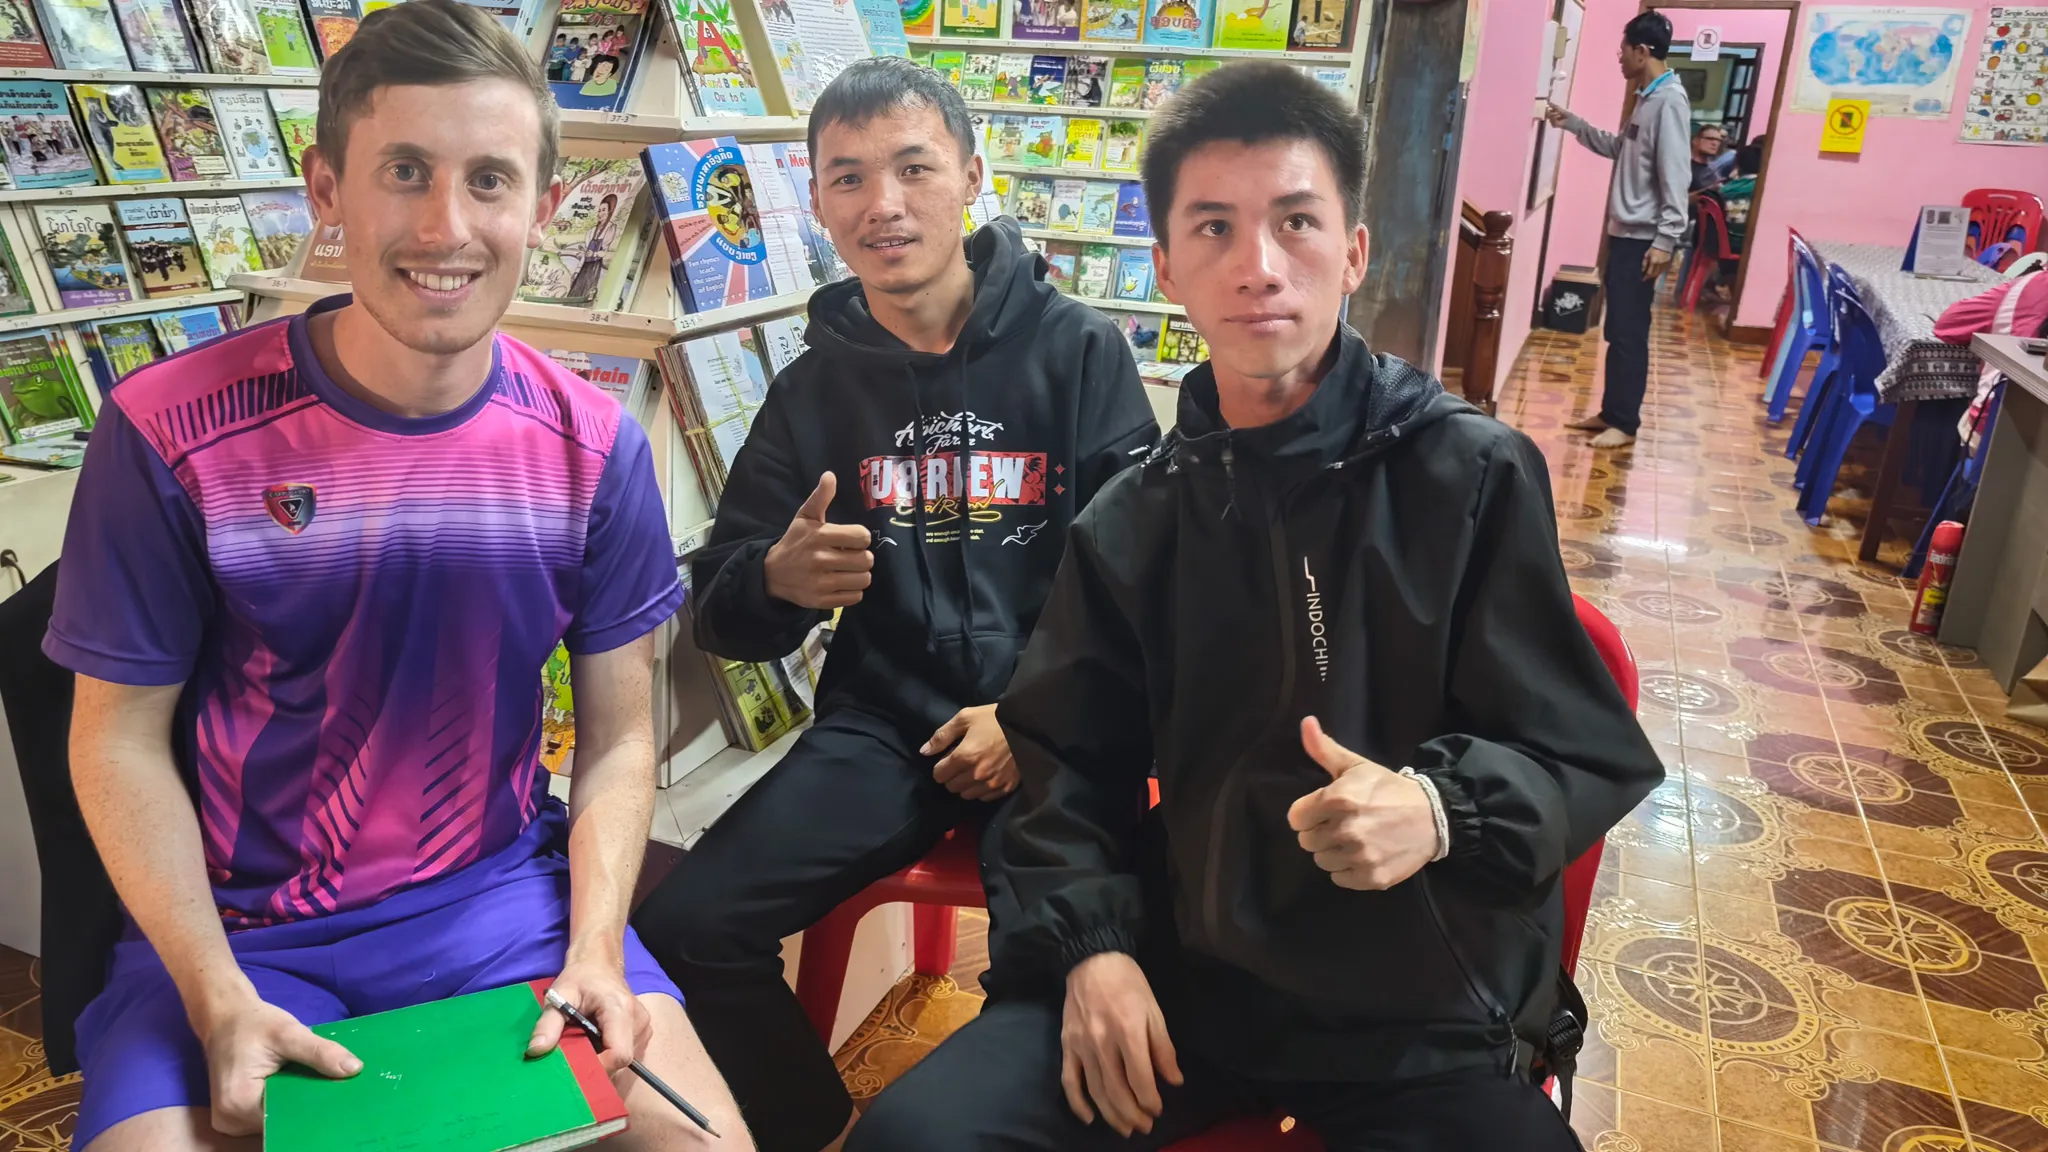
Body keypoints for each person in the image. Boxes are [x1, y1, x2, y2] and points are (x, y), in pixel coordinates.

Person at [846, 60, 1665, 1152]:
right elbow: (1060, 766)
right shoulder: (1135, 517)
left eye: (1294, 222)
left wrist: (1435, 811)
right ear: (1166, 267)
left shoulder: (1468, 476)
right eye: (1215, 229)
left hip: (1416, 1011)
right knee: (920, 1134)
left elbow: (1581, 752)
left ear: (1354, 252)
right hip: (1193, 973)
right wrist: (1093, 950)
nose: (1259, 266)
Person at [44, 3, 750, 1148]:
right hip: (240, 930)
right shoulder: (169, 430)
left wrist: (592, 946)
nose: (445, 226)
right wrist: (216, 991)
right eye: (404, 172)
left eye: (489, 181)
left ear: (544, 207)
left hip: (502, 911)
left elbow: (622, 741)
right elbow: (116, 735)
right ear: (327, 191)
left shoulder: (592, 449)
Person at [629, 56, 1159, 1152]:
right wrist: (774, 581)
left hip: (1054, 734)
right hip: (882, 729)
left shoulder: (1079, 354)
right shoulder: (813, 388)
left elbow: (1145, 587)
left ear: (970, 176)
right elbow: (723, 609)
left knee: (1062, 971)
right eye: (848, 178)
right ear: (815, 204)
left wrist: (1033, 713)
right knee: (682, 926)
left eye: (913, 168)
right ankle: (813, 1125)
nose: (884, 205)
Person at [1546, 10, 1691, 449]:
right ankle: (1612, 412)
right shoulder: (1648, 97)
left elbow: (1676, 174)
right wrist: (1573, 123)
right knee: (1618, 331)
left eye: (1623, 50)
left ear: (1642, 51)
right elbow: (1619, 147)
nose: (1619, 58)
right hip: (1625, 235)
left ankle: (1625, 424)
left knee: (1629, 334)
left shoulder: (1669, 103)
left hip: (1644, 240)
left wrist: (1665, 240)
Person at [1688, 121, 1727, 192]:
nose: (1715, 143)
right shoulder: (1684, 166)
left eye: (1718, 140)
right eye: (1710, 139)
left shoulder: (1713, 170)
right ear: (1695, 140)